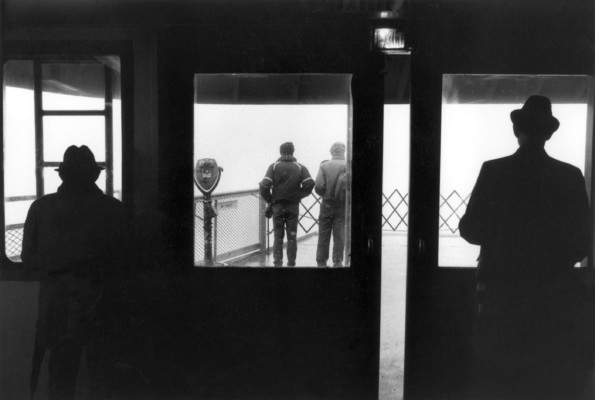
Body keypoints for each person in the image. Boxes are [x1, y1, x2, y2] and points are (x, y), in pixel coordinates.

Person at [459, 95, 592, 399]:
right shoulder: (570, 176)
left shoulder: (493, 170)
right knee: (545, 375)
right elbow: (581, 242)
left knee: (500, 374)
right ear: (549, 134)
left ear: (516, 130)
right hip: (552, 295)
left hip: (501, 291)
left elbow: (470, 229)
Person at [22, 145, 129, 400]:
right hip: (103, 302)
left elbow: (29, 259)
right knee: (104, 376)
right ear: (95, 175)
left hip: (57, 304)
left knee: (60, 377)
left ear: (62, 175)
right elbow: (127, 259)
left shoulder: (40, 208)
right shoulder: (114, 209)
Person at [260, 142, 314, 267]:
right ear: (293, 152)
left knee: (278, 236)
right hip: (293, 206)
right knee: (292, 237)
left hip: (277, 206)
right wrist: (298, 195)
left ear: (280, 152)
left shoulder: (274, 167)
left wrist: (271, 200)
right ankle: (291, 264)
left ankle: (278, 263)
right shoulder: (300, 167)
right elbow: (310, 184)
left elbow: (264, 186)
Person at [314, 142, 348, 267]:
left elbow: (318, 186)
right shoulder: (348, 166)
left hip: (326, 205)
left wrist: (325, 194)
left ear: (331, 152)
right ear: (343, 151)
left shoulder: (324, 166)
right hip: (342, 205)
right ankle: (338, 260)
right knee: (339, 235)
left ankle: (321, 261)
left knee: (323, 234)